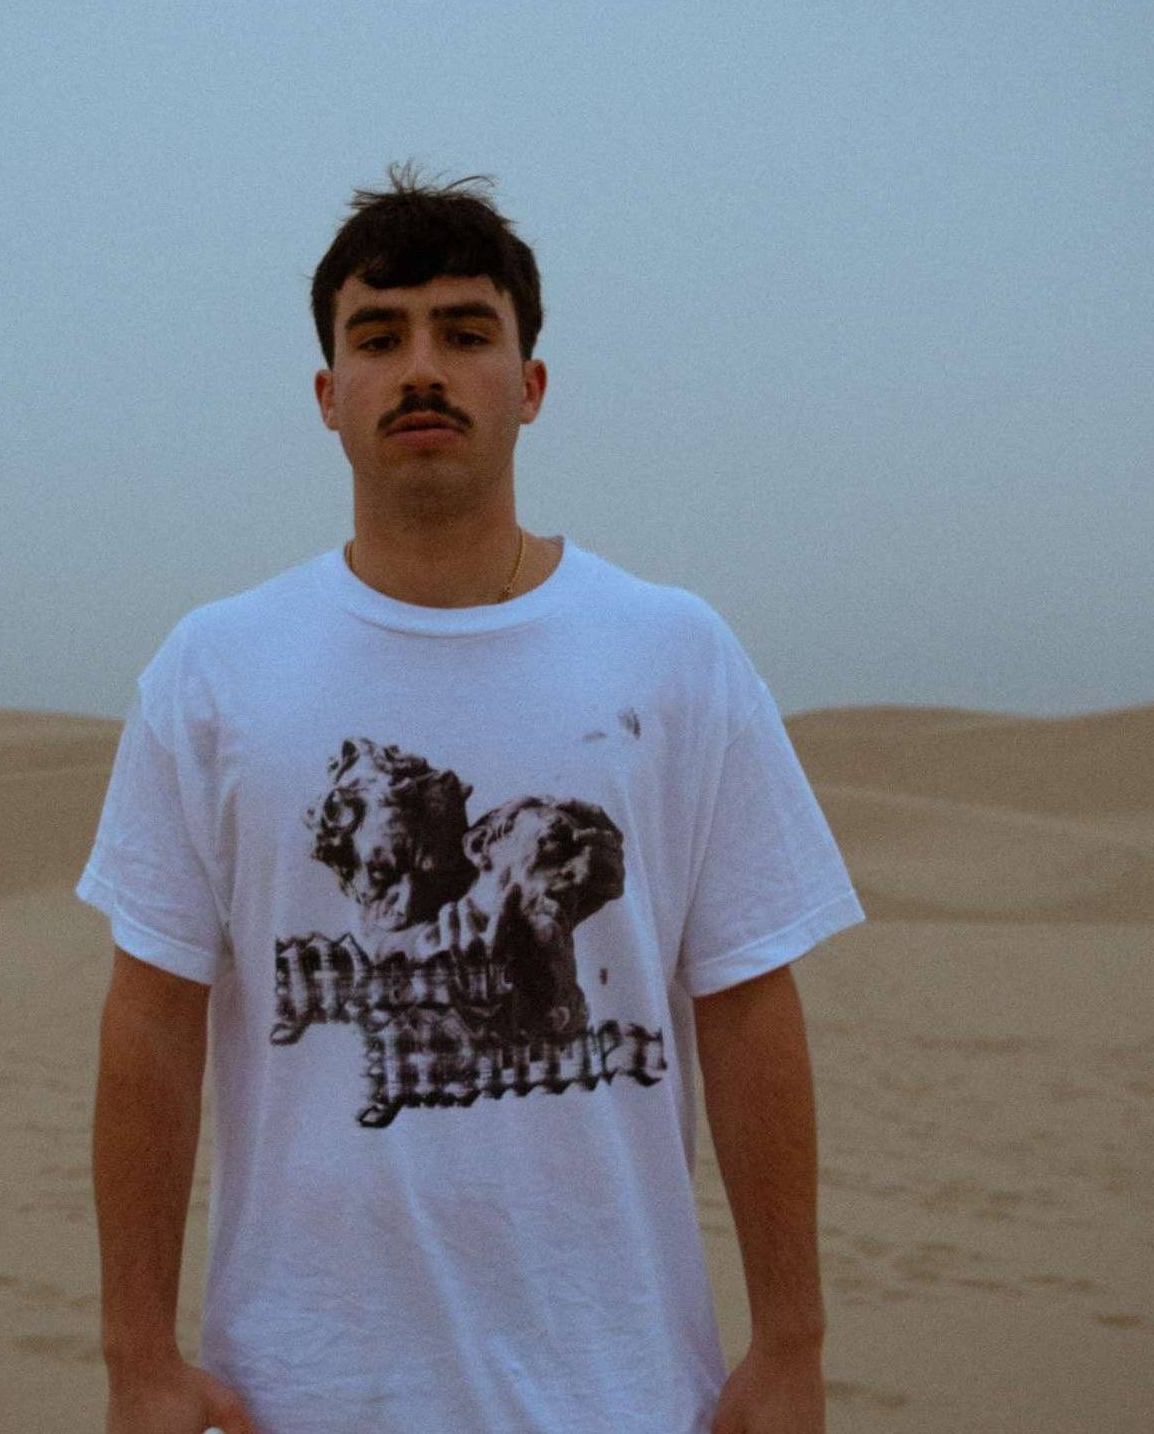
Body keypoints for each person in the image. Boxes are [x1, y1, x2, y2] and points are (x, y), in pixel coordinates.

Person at [81, 165, 865, 1433]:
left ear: (531, 383)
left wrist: (792, 1343)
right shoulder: (215, 670)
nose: (420, 368)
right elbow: (153, 1022)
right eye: (378, 338)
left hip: (620, 1390)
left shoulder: (671, 652)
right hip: (300, 1392)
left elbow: (748, 1002)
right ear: (329, 395)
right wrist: (135, 1355)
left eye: (465, 331)